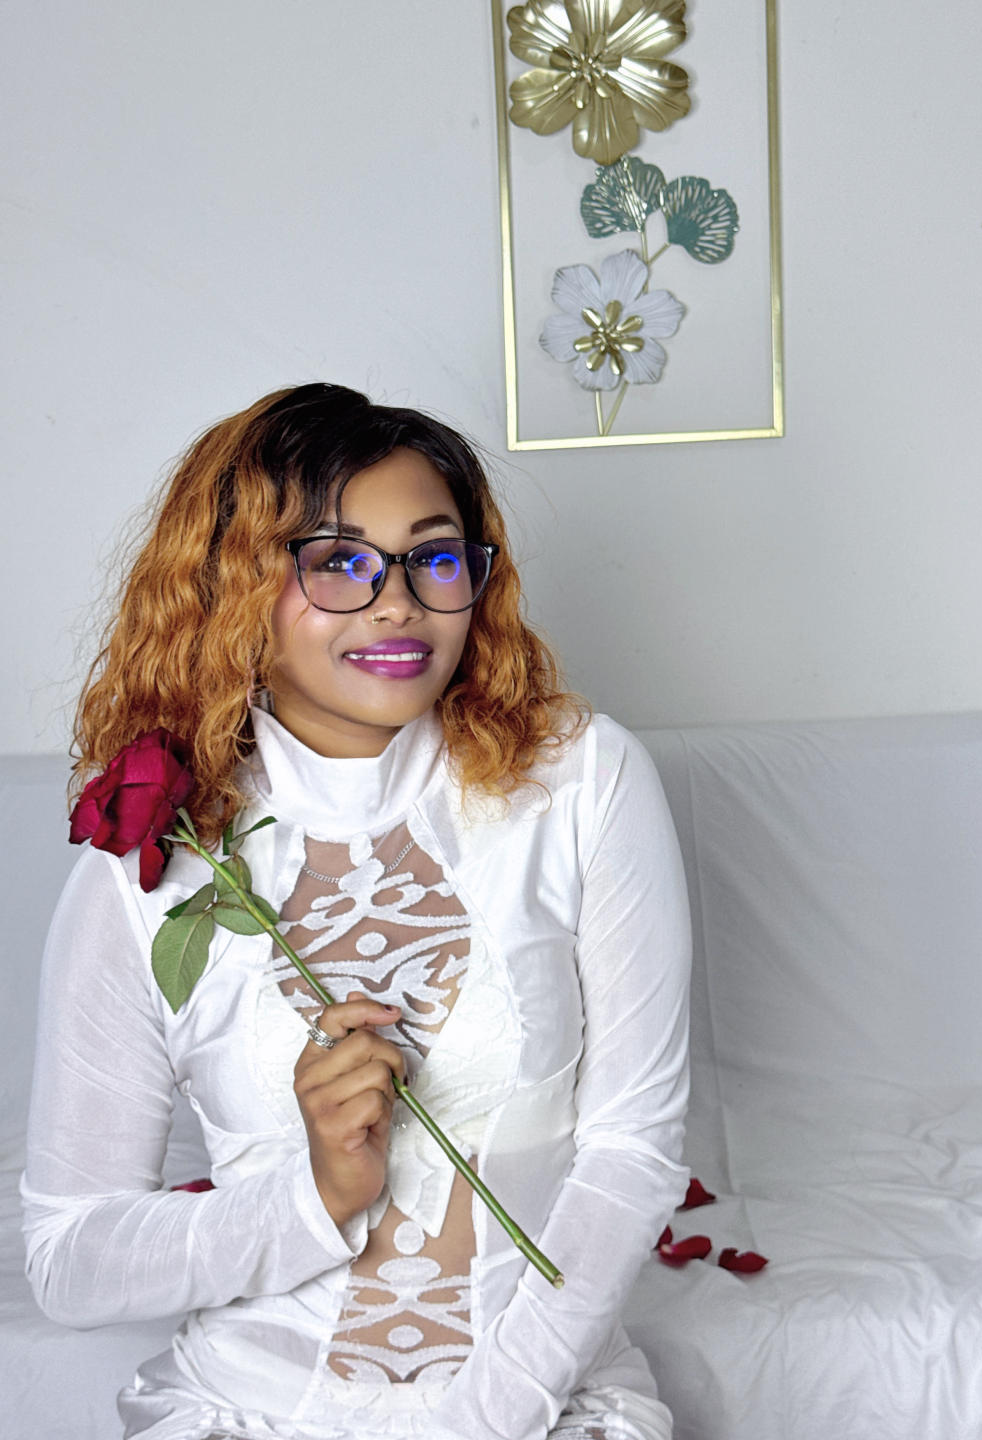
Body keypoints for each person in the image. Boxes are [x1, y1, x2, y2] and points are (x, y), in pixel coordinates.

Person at [21, 383, 691, 1440]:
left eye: (434, 557)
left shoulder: (581, 784)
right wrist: (316, 1197)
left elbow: (632, 1152)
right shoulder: (154, 863)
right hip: (252, 1410)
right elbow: (70, 1259)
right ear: (234, 585)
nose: (397, 604)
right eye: (337, 561)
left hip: (544, 1409)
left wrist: (485, 1422)